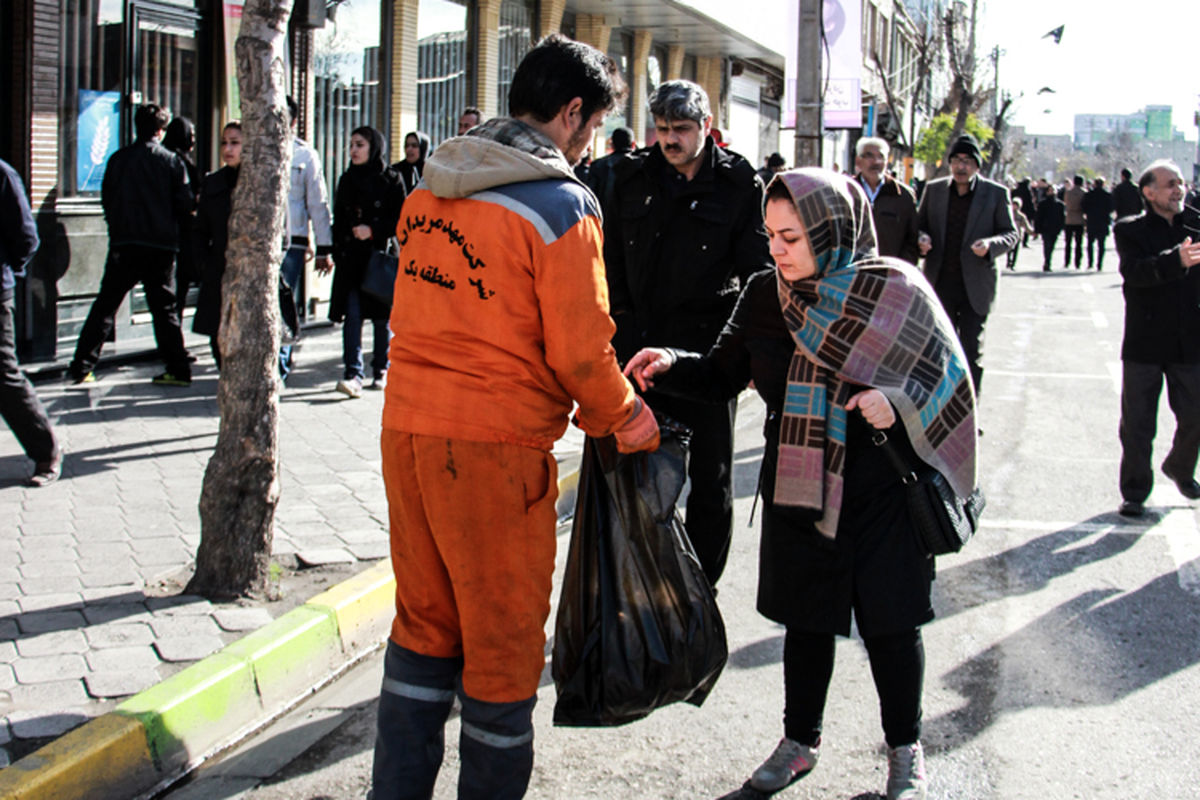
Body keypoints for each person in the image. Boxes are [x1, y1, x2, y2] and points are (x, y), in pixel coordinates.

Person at [625, 168, 978, 800]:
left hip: (884, 490)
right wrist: (672, 362)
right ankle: (800, 743)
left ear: (832, 230)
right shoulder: (766, 294)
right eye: (770, 235)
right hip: (801, 484)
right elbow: (722, 374)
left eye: (791, 236)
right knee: (806, 622)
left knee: (892, 627)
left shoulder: (894, 291)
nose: (777, 250)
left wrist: (897, 403)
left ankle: (905, 749)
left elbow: (948, 381)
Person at [370, 34, 660, 800]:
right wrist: (626, 418)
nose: (592, 143)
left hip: (405, 432)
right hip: (494, 452)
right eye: (593, 127)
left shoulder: (432, 188)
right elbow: (579, 354)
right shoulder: (561, 206)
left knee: (422, 628)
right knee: (500, 651)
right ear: (571, 114)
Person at [604, 78, 773, 586]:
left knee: (710, 481)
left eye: (680, 129)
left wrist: (746, 355)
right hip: (639, 356)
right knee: (637, 478)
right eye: (660, 129)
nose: (669, 139)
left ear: (707, 129)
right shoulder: (631, 177)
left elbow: (757, 276)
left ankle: (700, 591)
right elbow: (609, 266)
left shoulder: (739, 184)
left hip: (707, 358)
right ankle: (641, 589)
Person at [68, 103, 194, 386]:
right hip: (161, 247)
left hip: (125, 244)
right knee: (164, 311)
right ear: (161, 132)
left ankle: (82, 366)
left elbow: (107, 200)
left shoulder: (117, 160)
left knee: (106, 305)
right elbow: (184, 203)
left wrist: (117, 228)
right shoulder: (173, 162)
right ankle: (178, 368)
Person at [1113, 160, 1200, 518]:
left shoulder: (1197, 224)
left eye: (1179, 182)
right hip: (1145, 342)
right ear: (1149, 193)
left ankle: (1180, 467)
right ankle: (1134, 491)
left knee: (1196, 414)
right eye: (1169, 184)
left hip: (1190, 340)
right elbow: (1134, 273)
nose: (1178, 189)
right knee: (1138, 424)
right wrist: (1174, 260)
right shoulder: (1129, 230)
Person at [916, 133, 1017, 395]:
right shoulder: (934, 190)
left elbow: (1011, 234)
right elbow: (919, 225)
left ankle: (969, 411)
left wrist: (990, 246)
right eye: (957, 160)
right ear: (950, 163)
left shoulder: (995, 194)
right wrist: (922, 238)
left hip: (975, 287)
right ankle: (940, 410)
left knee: (971, 352)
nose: (961, 167)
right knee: (939, 351)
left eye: (968, 161)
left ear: (976, 166)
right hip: (940, 284)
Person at [328, 126, 405, 398]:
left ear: (373, 147)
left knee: (382, 318)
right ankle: (352, 374)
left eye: (359, 144)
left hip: (378, 257)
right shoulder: (347, 179)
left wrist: (373, 229)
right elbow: (338, 219)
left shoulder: (391, 179)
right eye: (351, 145)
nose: (353, 150)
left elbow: (401, 219)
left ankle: (381, 369)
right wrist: (335, 251)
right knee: (352, 316)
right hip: (351, 260)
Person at [0, 158, 60, 486]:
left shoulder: (3, 175)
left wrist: (8, 272)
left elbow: (26, 237)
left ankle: (45, 451)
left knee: (4, 376)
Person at [280, 96, 335, 380]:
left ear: (292, 121)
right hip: (258, 241)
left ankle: (280, 365)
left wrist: (325, 248)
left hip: (293, 240)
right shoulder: (252, 150)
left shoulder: (304, 155)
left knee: (281, 299)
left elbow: (318, 203)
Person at [192, 121, 243, 366]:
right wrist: (203, 263)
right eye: (224, 142)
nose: (228, 149)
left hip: (249, 271)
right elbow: (200, 229)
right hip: (218, 268)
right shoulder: (213, 182)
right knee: (217, 332)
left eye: (235, 143)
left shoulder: (258, 184)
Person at [854, 136, 919, 264]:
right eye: (869, 156)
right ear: (858, 161)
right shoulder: (846, 190)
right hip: (850, 276)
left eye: (881, 157)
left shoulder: (903, 195)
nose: (876, 162)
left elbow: (911, 241)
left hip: (889, 275)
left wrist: (898, 271)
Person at [162, 116, 200, 317]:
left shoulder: (173, 158)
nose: (193, 141)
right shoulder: (177, 162)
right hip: (179, 233)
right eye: (190, 135)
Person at [584, 125, 634, 215]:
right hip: (633, 224)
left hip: (603, 222)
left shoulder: (598, 165)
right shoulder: (642, 166)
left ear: (612, 144)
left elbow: (589, 199)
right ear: (633, 144)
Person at [1082, 176, 1115, 270]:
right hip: (1103, 221)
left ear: (1094, 184)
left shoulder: (1089, 195)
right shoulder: (1107, 195)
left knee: (1090, 243)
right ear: (1103, 184)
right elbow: (1112, 207)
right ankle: (1099, 264)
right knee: (1101, 245)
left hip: (1092, 221)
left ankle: (1090, 262)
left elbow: (1083, 206)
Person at [391, 130, 432, 197]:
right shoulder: (396, 171)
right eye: (407, 145)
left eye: (414, 146)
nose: (409, 149)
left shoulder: (430, 171)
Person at [1034, 189, 1065, 272]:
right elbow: (1038, 217)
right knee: (1047, 245)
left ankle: (1048, 260)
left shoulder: (1060, 204)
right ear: (1047, 192)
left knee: (1051, 246)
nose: (1052, 192)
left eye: (1053, 190)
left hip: (1055, 228)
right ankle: (1047, 262)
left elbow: (1062, 217)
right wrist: (1037, 229)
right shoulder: (1042, 204)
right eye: (1050, 191)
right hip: (1045, 228)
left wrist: (1061, 227)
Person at [1062, 174, 1086, 269]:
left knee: (1068, 243)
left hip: (1069, 219)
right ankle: (1078, 262)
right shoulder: (1084, 193)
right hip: (1079, 219)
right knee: (1079, 243)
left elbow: (1066, 203)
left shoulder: (1068, 192)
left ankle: (1067, 261)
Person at [1007, 197, 1034, 270]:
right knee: (1009, 249)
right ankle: (1008, 260)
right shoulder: (1007, 214)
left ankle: (1013, 263)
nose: (1014, 206)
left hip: (1018, 235)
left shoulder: (1021, 216)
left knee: (1016, 249)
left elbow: (1026, 225)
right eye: (1013, 204)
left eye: (1016, 205)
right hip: (1008, 234)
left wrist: (1032, 232)